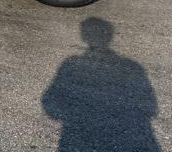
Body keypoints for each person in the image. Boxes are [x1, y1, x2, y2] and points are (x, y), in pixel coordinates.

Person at [42, 17, 161, 151]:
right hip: (125, 138)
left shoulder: (71, 64)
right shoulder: (133, 67)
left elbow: (50, 103)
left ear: (84, 37)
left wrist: (71, 115)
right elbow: (150, 107)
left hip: (78, 137)